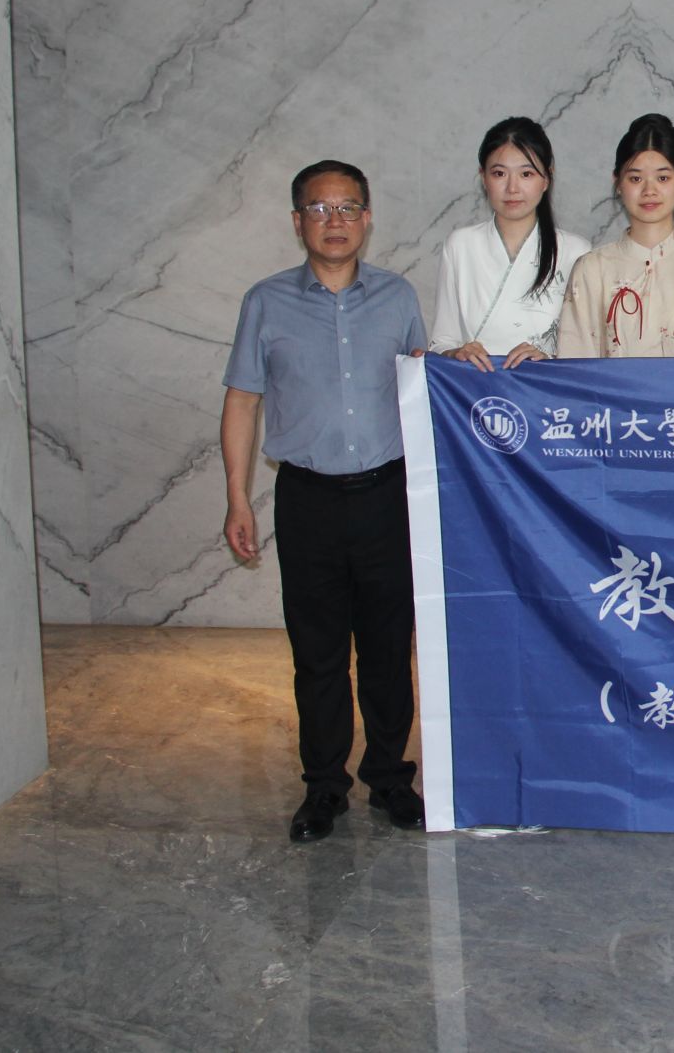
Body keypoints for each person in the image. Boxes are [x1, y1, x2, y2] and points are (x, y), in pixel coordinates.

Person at [220, 160, 429, 843]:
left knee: (388, 649)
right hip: (307, 498)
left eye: (347, 208)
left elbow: (425, 393)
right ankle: (324, 786)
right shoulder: (265, 301)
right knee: (317, 653)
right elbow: (242, 401)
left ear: (367, 218)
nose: (333, 221)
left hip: (386, 497)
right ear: (297, 221)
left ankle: (391, 778)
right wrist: (237, 498)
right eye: (319, 208)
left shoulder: (398, 297)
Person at [557, 114, 674, 358]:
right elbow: (576, 366)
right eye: (635, 178)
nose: (649, 190)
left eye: (663, 178)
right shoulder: (592, 269)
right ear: (618, 183)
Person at [429, 116, 592, 368]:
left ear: (546, 179)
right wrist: (457, 353)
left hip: (545, 388)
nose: (512, 188)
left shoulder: (576, 251)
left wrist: (548, 359)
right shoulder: (460, 245)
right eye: (499, 173)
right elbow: (441, 341)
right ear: (483, 177)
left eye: (526, 174)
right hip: (476, 387)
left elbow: (588, 349)